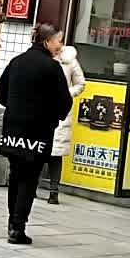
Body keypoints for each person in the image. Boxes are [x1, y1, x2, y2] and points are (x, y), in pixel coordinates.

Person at [0, 23, 73, 245]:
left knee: (16, 175)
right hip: (37, 132)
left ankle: (12, 222)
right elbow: (64, 103)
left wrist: (16, 108)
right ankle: (18, 227)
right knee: (29, 179)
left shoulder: (17, 62)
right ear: (47, 41)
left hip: (13, 130)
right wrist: (51, 117)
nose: (61, 46)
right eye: (59, 40)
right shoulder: (52, 68)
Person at [46, 43, 86, 204]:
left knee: (56, 154)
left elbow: (80, 84)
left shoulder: (69, 59)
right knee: (37, 151)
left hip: (60, 110)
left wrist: (66, 94)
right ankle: (31, 187)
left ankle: (54, 191)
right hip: (39, 107)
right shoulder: (42, 58)